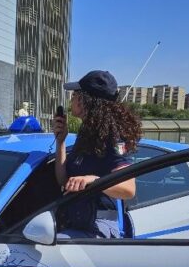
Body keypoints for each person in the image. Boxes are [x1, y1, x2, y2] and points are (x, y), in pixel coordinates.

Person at [52, 70, 142, 238]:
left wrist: (93, 180)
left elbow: (128, 189)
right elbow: (64, 180)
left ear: (86, 100)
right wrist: (61, 142)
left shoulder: (114, 137)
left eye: (75, 94)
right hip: (77, 221)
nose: (71, 98)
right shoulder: (87, 134)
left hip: (99, 225)